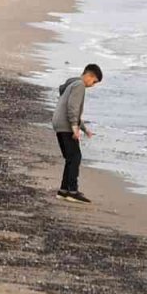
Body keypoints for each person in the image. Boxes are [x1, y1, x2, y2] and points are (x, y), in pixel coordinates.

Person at [52, 64, 103, 204]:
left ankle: (63, 191)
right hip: (66, 125)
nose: (92, 85)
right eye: (94, 82)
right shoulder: (79, 85)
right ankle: (72, 192)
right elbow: (72, 108)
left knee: (71, 158)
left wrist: (84, 129)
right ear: (90, 76)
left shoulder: (72, 83)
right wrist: (75, 128)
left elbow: (71, 108)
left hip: (58, 124)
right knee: (75, 157)